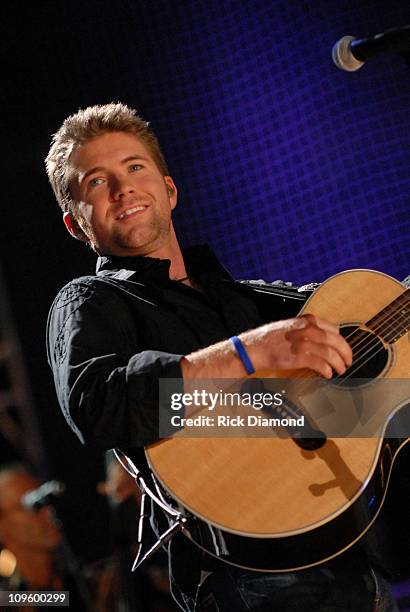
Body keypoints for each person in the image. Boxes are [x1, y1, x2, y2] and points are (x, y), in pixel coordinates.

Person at [45, 103, 398, 611]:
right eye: (96, 182)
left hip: (356, 556)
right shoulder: (91, 301)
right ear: (75, 224)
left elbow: (366, 341)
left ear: (169, 190)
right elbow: (103, 407)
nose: (122, 189)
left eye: (134, 167)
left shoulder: (250, 300)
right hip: (249, 578)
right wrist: (247, 351)